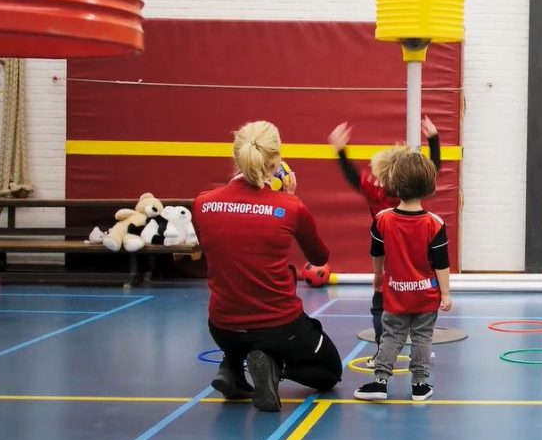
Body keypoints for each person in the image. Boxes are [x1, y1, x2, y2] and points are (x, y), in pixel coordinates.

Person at [193, 120, 342, 411]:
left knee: (239, 321)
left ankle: (233, 366)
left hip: (223, 326)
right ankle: (273, 363)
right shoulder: (289, 207)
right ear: (276, 163)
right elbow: (320, 257)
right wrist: (289, 198)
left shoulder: (203, 204)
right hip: (279, 326)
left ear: (236, 158)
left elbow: (214, 250)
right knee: (330, 372)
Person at [328, 117, 440, 358]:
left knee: (381, 302)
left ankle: (383, 349)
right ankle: (421, 346)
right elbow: (434, 169)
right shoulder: (413, 189)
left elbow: (352, 176)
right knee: (418, 298)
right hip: (417, 251)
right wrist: (434, 140)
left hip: (388, 252)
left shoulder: (376, 191)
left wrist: (340, 150)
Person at [354, 151, 452, 402]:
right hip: (425, 295)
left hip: (396, 294)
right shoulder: (435, 223)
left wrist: (378, 274)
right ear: (430, 187)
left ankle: (380, 381)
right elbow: (441, 263)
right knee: (422, 337)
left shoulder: (382, 219)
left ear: (395, 184)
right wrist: (446, 293)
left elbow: (376, 252)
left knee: (392, 336)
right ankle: (420, 385)